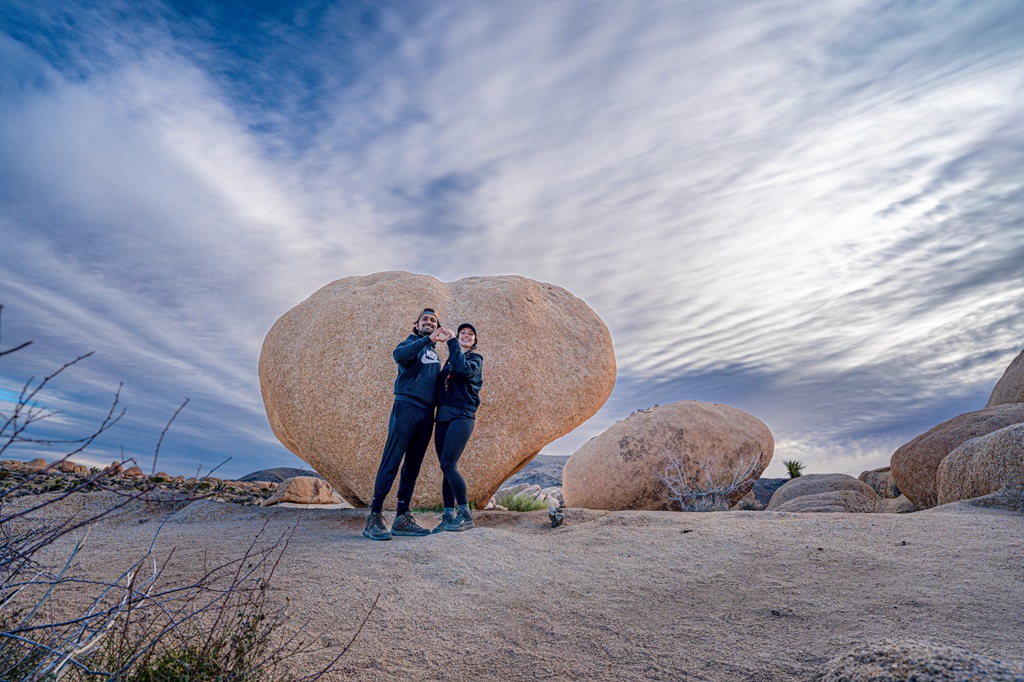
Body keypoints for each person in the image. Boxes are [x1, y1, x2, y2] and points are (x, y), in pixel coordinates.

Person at [363, 308, 453, 541]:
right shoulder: (412, 342)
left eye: (433, 321)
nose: (429, 322)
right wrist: (426, 340)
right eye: (425, 319)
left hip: (427, 412)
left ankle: (402, 517)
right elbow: (399, 356)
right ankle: (374, 516)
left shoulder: (434, 352)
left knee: (412, 466)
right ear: (417, 325)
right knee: (392, 459)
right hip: (407, 406)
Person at [431, 323, 483, 532]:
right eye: (463, 333)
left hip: (462, 415)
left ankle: (465, 514)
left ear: (474, 341)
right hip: (443, 416)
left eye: (470, 335)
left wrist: (452, 340)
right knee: (446, 468)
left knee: (449, 464)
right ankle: (448, 516)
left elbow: (462, 371)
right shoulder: (450, 361)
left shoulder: (475, 360)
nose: (467, 336)